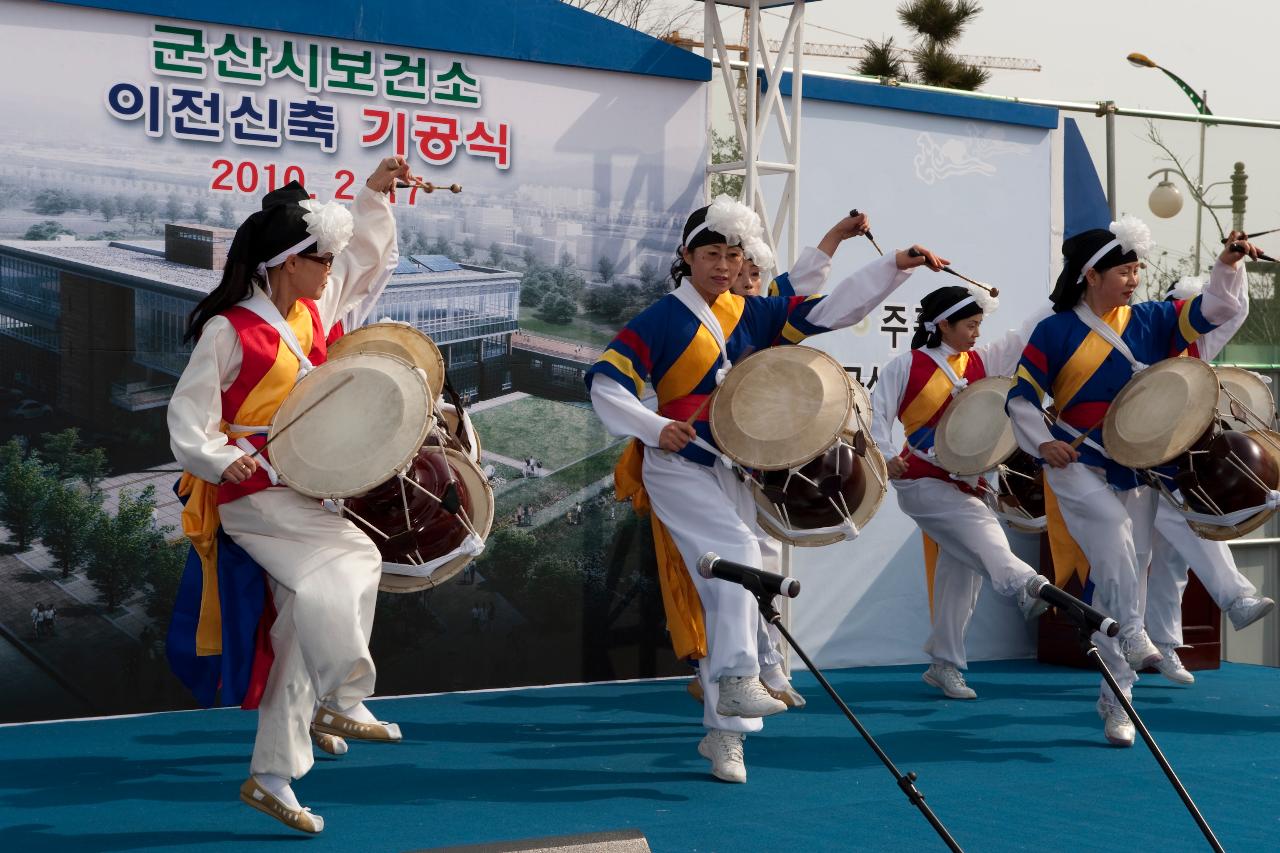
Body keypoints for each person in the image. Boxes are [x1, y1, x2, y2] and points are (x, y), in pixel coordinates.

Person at [587, 195, 945, 784]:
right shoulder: (658, 319)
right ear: (686, 256)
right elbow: (604, 383)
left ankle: (724, 736)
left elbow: (827, 310)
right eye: (711, 253)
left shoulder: (748, 312)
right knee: (740, 561)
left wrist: (894, 267)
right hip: (677, 465)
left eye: (733, 254)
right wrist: (656, 426)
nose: (724, 265)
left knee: (729, 585)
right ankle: (735, 679)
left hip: (732, 465)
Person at [167, 156, 409, 833]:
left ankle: (272, 775)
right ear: (287, 261)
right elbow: (188, 421)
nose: (333, 271)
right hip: (252, 499)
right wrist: (220, 458)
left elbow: (365, 260)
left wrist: (373, 197)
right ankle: (346, 693)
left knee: (300, 627)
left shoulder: (307, 313)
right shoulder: (229, 331)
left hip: (305, 490)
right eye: (321, 260)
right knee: (356, 558)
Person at [1006, 218, 1252, 747]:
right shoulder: (1054, 330)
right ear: (1092, 275)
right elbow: (1021, 397)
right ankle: (1136, 634)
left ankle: (1117, 698)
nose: (1135, 277)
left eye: (1138, 268)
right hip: (1077, 466)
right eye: (1125, 269)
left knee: (1126, 573)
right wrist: (1042, 441)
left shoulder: (1151, 320)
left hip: (1138, 468)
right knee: (1117, 542)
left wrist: (1228, 266)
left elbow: (1218, 310)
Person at [870, 285, 1052, 700]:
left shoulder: (982, 361)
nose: (975, 332)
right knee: (981, 529)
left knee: (960, 577)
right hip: (921, 478)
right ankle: (1024, 584)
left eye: (978, 325)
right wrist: (884, 456)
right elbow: (875, 411)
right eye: (969, 325)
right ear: (943, 325)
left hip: (970, 480)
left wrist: (1064, 294)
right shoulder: (907, 365)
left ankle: (944, 663)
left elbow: (1026, 333)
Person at [1144, 276, 1275, 683]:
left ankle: (1163, 647)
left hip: (1174, 468)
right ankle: (1235, 598)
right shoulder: (1147, 351)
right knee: (1183, 538)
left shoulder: (1196, 350)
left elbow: (1235, 309)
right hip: (1145, 468)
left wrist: (1235, 267)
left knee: (1171, 560)